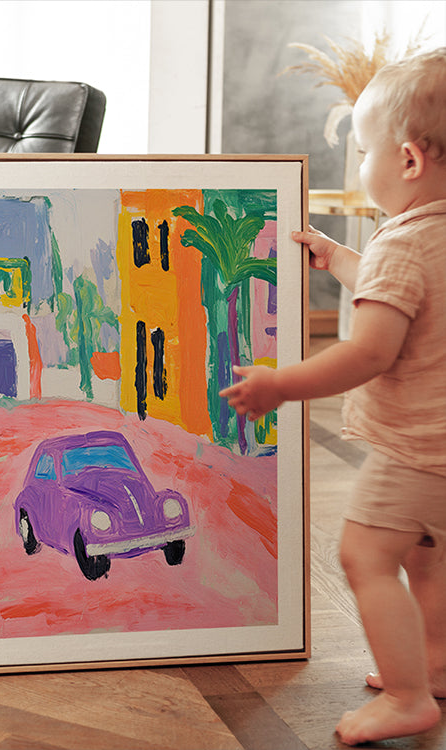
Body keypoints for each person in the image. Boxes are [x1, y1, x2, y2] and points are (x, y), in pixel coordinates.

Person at [220, 48, 446, 745]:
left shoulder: (402, 245)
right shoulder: (429, 240)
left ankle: (406, 696)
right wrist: (339, 257)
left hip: (411, 450)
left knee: (364, 555)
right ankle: (436, 663)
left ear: (407, 160)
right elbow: (404, 296)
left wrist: (279, 384)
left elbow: (370, 350)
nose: (361, 166)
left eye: (363, 152)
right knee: (428, 555)